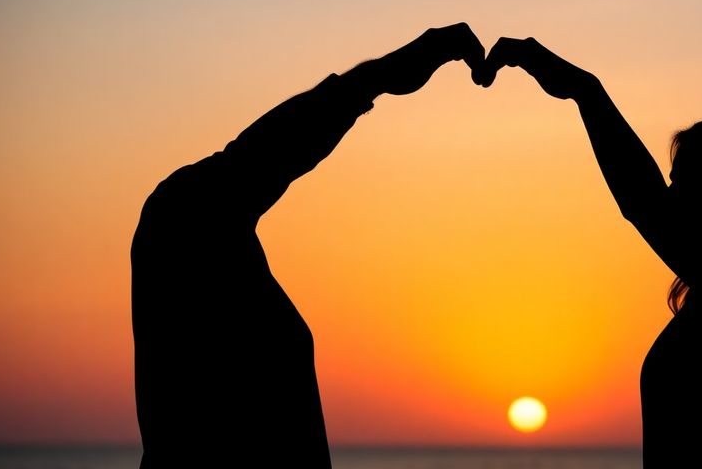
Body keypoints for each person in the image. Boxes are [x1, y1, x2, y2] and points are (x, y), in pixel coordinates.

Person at [131, 23, 486, 468]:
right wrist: (374, 79)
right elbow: (265, 153)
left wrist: (375, 80)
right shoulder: (180, 222)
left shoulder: (207, 242)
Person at [478, 37, 702, 468]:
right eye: (672, 182)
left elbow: (641, 199)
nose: (672, 196)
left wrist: (585, 90)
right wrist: (584, 89)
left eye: (684, 183)